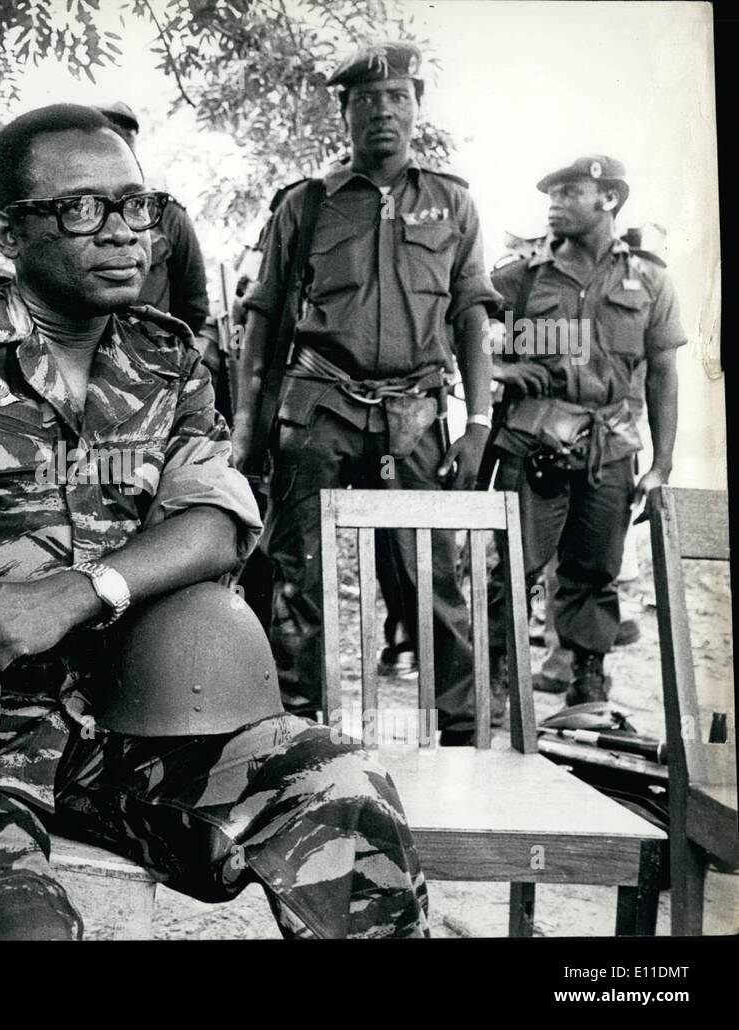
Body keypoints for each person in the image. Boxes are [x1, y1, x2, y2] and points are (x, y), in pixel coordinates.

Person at [0, 104, 430, 940]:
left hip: (119, 730)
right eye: (80, 209)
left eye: (137, 206)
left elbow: (214, 518)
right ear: (9, 231)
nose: (122, 234)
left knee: (343, 794)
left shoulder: (163, 359)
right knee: (18, 929)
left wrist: (82, 590)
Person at [232, 41, 500, 745]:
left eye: (398, 98)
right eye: (367, 101)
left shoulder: (453, 203)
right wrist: (245, 431)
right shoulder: (307, 205)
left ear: (416, 109)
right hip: (319, 408)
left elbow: (472, 314)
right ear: (345, 113)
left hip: (415, 415)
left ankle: (465, 741)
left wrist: (478, 420)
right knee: (300, 580)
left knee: (431, 579)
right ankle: (296, 738)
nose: (384, 112)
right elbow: (264, 324)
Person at [485, 156, 684, 706]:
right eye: (551, 194)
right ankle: (498, 676)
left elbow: (665, 373)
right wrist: (500, 367)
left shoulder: (648, 279)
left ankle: (587, 676)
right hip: (533, 440)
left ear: (609, 200)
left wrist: (661, 464)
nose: (554, 203)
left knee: (595, 567)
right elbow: (466, 332)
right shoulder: (520, 276)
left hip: (611, 443)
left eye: (570, 193)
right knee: (513, 561)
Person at [99, 100, 210, 339]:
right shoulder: (69, 209)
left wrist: (163, 354)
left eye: (126, 133)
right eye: (109, 130)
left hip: (146, 356)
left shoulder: (168, 215)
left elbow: (193, 306)